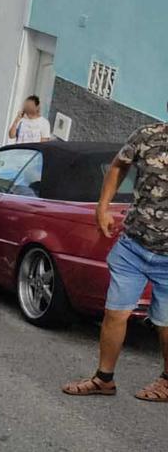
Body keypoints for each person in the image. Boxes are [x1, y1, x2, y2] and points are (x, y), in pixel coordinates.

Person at [62, 119, 168, 402]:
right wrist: (103, 207)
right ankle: (103, 379)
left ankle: (167, 381)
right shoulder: (147, 135)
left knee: (165, 321)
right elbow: (119, 165)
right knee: (116, 312)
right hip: (133, 245)